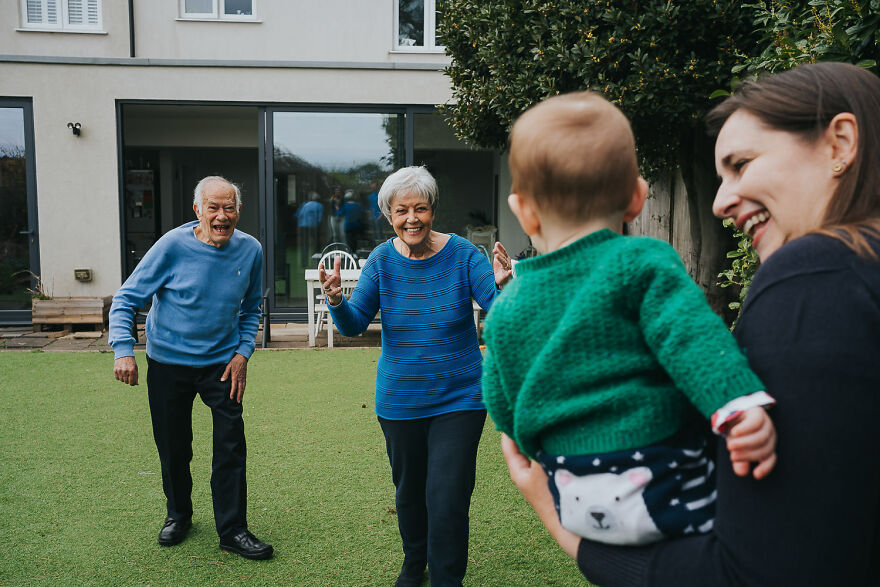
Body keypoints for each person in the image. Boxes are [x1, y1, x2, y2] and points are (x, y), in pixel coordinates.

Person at [502, 62, 880, 585]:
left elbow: (760, 574)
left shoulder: (812, 273)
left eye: (741, 164)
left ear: (840, 144)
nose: (720, 202)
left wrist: (567, 531)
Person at [482, 91, 776, 548]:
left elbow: (500, 397)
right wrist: (737, 406)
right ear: (638, 198)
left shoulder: (508, 304)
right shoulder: (641, 261)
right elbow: (692, 339)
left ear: (523, 211)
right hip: (667, 475)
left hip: (573, 491)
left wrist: (532, 446)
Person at [318, 166, 506, 587]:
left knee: (448, 496)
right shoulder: (382, 261)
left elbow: (498, 309)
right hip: (400, 400)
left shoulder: (463, 254)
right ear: (389, 215)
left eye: (420, 208)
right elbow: (352, 325)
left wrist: (503, 286)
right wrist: (335, 299)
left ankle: (445, 577)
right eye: (402, 210)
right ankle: (414, 559)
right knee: (409, 494)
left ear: (433, 210)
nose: (412, 218)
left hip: (461, 397)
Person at [108, 176, 273, 561]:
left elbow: (251, 309)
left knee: (231, 444)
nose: (221, 216)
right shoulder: (171, 246)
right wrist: (123, 350)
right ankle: (179, 514)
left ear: (238, 211)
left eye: (228, 207)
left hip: (222, 363)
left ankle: (232, 530)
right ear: (197, 210)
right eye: (213, 208)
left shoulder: (250, 250)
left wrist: (242, 353)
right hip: (168, 363)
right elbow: (125, 298)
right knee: (174, 445)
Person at [296, 191, 324, 267]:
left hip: (302, 226)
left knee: (304, 245)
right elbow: (319, 219)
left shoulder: (304, 204)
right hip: (313, 227)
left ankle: (303, 263)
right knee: (316, 245)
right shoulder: (319, 205)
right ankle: (316, 262)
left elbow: (297, 215)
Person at [367, 179, 385, 245]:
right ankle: (374, 244)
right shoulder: (370, 196)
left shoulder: (380, 195)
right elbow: (370, 207)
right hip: (373, 216)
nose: (373, 187)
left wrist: (381, 215)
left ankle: (381, 244)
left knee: (379, 231)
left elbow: (383, 206)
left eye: (374, 186)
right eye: (372, 186)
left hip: (379, 216)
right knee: (374, 231)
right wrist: (370, 216)